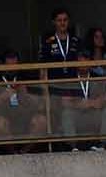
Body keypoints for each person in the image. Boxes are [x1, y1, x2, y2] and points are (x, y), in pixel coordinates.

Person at [38, 8, 90, 144]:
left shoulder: (76, 41)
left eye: (65, 20)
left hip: (74, 84)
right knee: (63, 107)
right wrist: (44, 88)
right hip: (55, 86)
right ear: (54, 22)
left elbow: (84, 64)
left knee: (75, 109)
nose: (62, 23)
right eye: (59, 20)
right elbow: (42, 68)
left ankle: (74, 139)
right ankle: (65, 138)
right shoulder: (48, 42)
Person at [0, 51, 49, 145]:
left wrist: (26, 96)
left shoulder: (26, 75)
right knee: (0, 124)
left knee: (41, 121)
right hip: (4, 114)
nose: (13, 68)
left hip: (25, 114)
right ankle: (13, 154)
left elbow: (40, 101)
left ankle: (24, 152)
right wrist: (1, 98)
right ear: (2, 64)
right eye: (9, 66)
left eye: (15, 65)